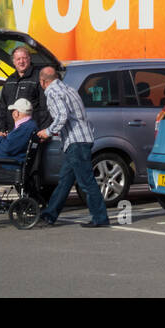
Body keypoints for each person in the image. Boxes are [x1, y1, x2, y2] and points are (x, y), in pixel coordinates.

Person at [38, 64, 109, 227]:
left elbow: (62, 115)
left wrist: (47, 132)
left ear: (43, 81)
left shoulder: (52, 92)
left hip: (76, 141)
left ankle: (100, 217)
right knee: (65, 180)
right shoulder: (69, 89)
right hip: (81, 139)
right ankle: (50, 214)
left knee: (86, 181)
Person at [0, 46, 50, 141]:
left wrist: (44, 130)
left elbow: (45, 106)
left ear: (29, 59)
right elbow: (2, 108)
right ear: (14, 62)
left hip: (32, 132)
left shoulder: (38, 78)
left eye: (24, 58)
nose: (21, 61)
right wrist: (1, 129)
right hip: (11, 132)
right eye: (18, 59)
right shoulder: (9, 81)